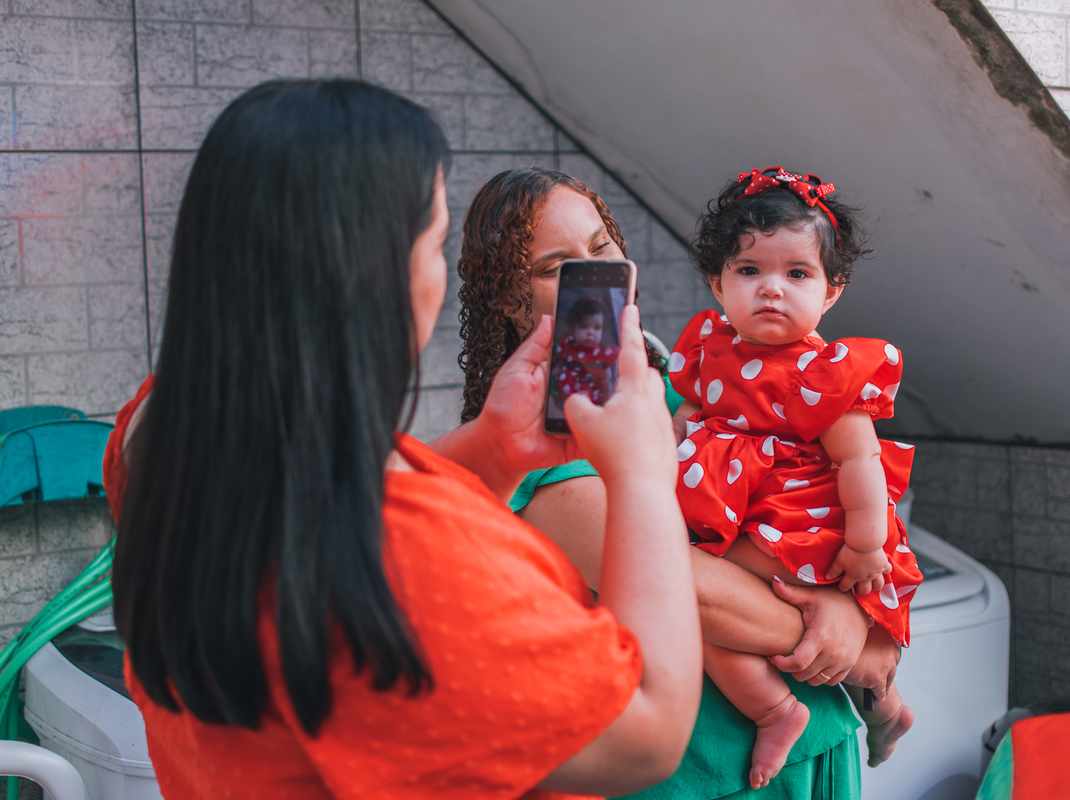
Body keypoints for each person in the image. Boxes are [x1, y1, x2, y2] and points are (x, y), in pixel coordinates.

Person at [105, 79, 705, 799]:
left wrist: (490, 450)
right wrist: (642, 473)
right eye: (434, 244)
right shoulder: (404, 557)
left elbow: (319, 501)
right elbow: (646, 732)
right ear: (374, 278)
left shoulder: (158, 429)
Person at [457, 166, 905, 800]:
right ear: (509, 298)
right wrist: (847, 639)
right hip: (704, 774)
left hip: (820, 744)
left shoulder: (694, 386)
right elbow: (689, 591)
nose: (596, 277)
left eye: (601, 247)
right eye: (557, 267)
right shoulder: (531, 447)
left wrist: (857, 602)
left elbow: (825, 490)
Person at [669, 167, 920, 787]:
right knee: (693, 598)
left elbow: (861, 462)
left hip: (803, 524)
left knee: (690, 597)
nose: (771, 290)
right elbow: (681, 426)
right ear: (717, 282)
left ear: (831, 290)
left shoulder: (822, 370)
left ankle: (789, 708)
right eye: (749, 271)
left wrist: (864, 548)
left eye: (797, 273)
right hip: (737, 512)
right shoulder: (708, 351)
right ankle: (875, 706)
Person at [554, 296, 619, 404]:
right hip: (565, 388)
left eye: (597, 328)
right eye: (584, 327)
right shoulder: (568, 343)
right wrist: (557, 368)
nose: (591, 333)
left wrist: (607, 398)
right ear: (573, 330)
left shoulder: (600, 355)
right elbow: (562, 359)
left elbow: (605, 382)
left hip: (588, 392)